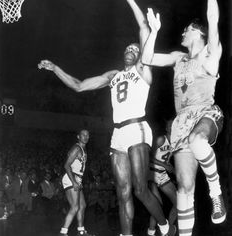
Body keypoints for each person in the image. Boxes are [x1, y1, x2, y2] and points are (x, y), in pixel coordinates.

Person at [38, 1, 176, 235]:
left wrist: (132, 3)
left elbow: (143, 27)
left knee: (141, 189)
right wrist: (55, 69)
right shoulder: (113, 75)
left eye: (135, 49)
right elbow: (80, 86)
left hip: (137, 128)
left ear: (141, 55)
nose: (131, 50)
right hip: (118, 134)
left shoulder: (143, 69)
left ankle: (164, 225)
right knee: (123, 194)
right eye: (128, 49)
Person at [142, 0, 226, 235]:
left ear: (198, 32)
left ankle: (215, 191)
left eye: (187, 29)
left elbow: (212, 17)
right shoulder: (179, 58)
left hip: (205, 114)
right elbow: (148, 58)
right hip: (182, 123)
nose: (182, 32)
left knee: (198, 140)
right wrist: (154, 32)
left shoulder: (210, 54)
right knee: (184, 190)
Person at [59, 129, 94, 236]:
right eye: (83, 135)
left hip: (77, 178)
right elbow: (66, 165)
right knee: (75, 206)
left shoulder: (84, 148)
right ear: (78, 136)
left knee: (82, 205)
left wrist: (79, 181)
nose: (86, 136)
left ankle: (81, 230)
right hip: (70, 178)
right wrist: (74, 181)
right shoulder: (76, 148)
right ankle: (63, 232)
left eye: (87, 135)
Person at [148, 123, 177, 236]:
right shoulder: (161, 139)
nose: (172, 126)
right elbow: (148, 156)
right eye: (169, 125)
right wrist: (165, 166)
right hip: (151, 173)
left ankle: (167, 229)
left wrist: (173, 170)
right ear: (166, 127)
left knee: (179, 202)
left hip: (162, 174)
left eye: (174, 124)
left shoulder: (174, 144)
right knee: (157, 204)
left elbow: (166, 161)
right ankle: (151, 231)